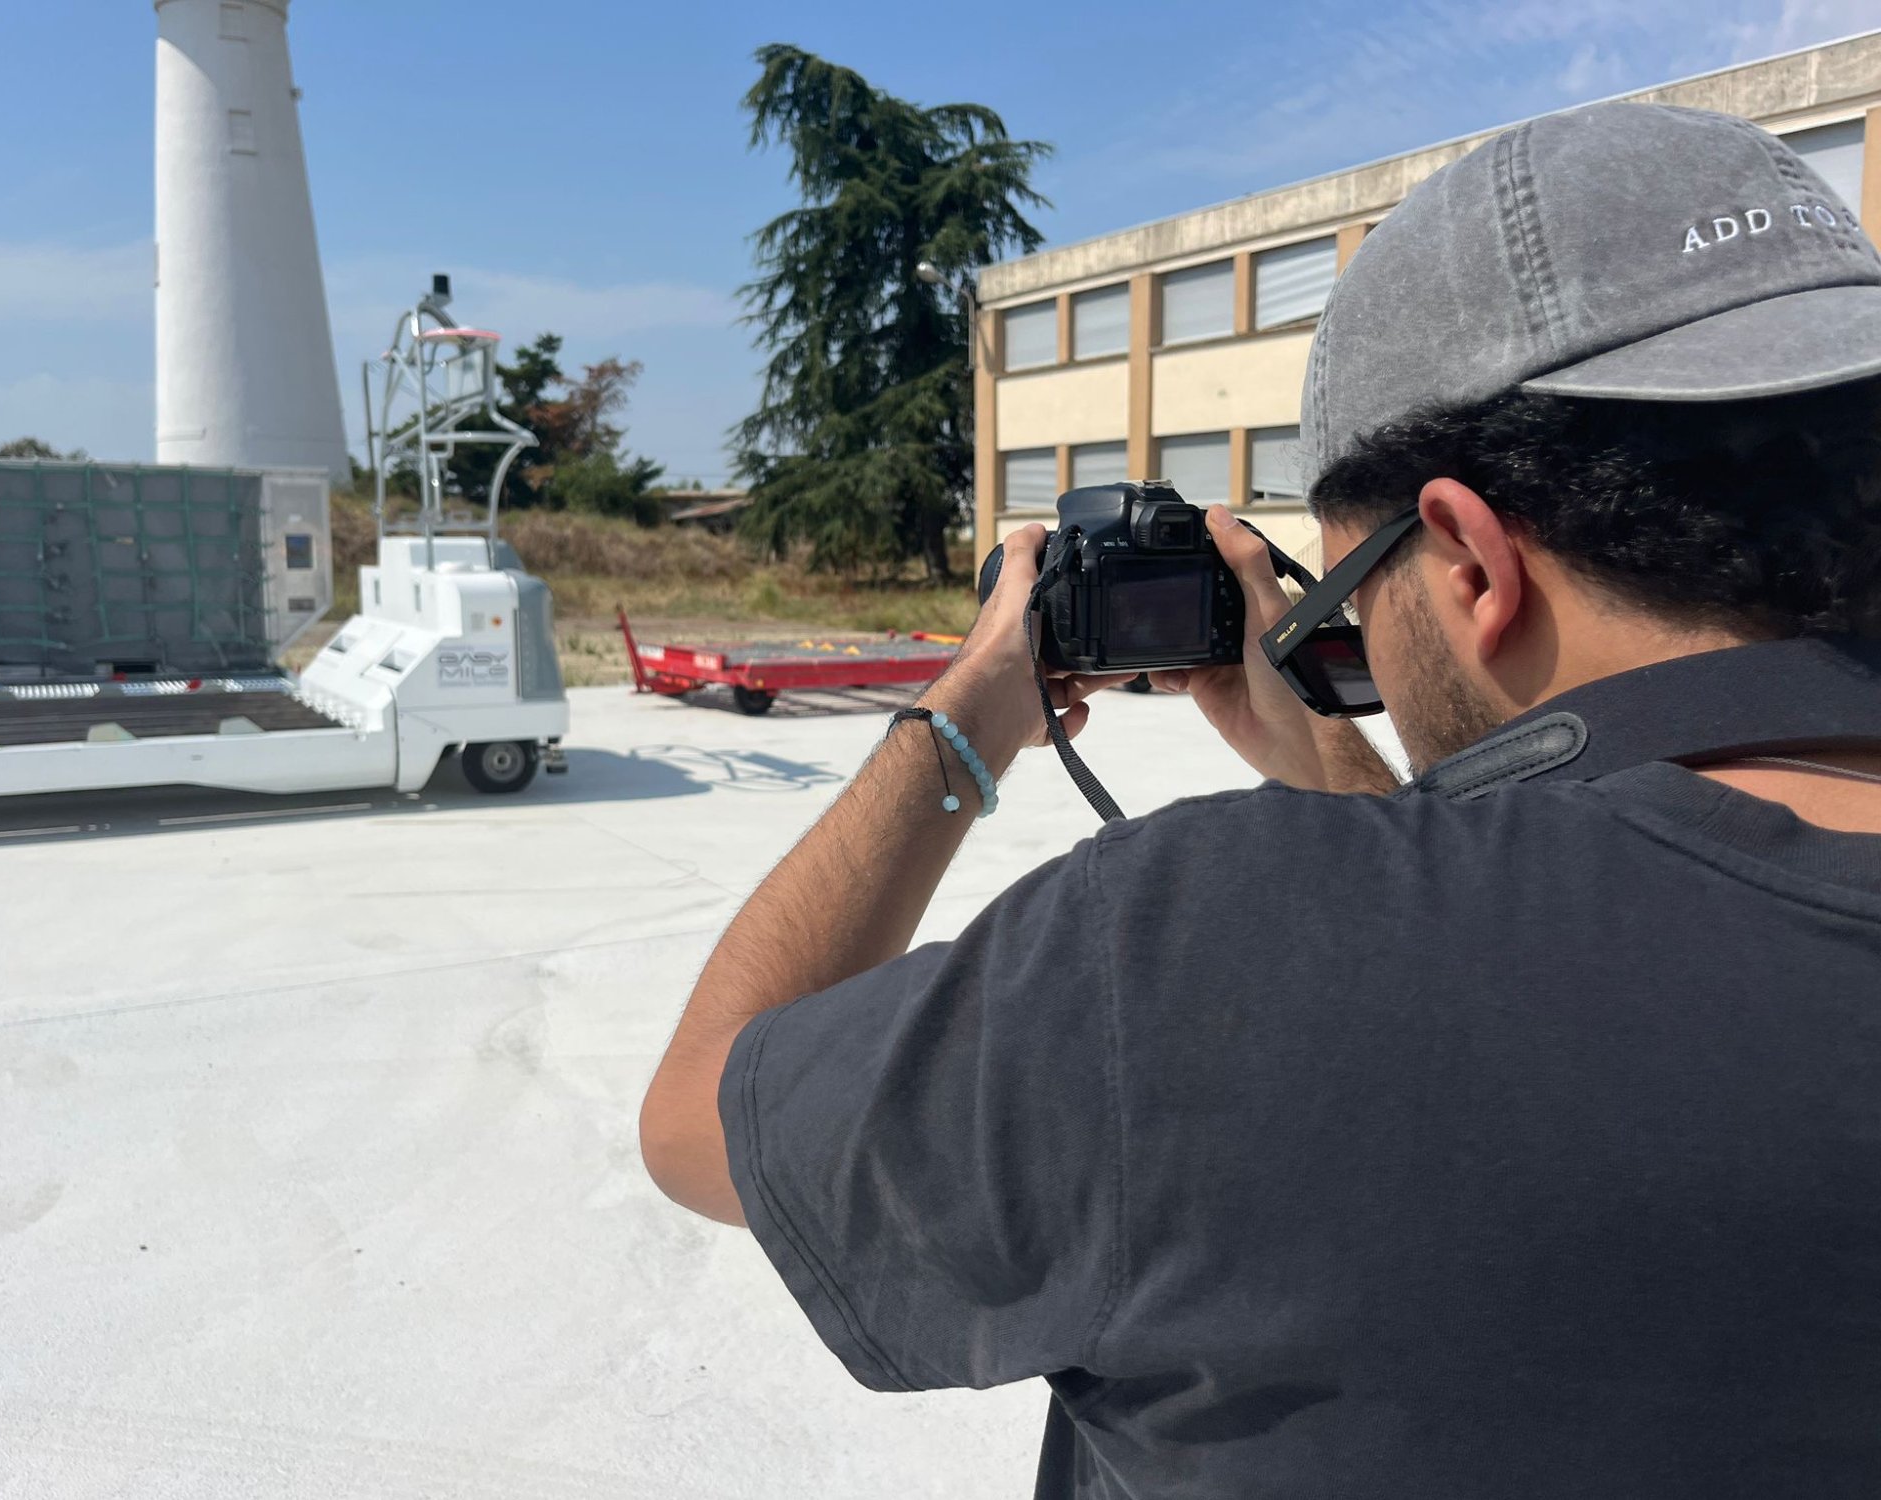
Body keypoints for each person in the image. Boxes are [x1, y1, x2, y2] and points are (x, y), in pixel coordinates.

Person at [641, 100, 1881, 1499]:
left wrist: (966, 716)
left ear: (1469, 561)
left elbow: (700, 1121)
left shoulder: (1194, 952)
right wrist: (1335, 771)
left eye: (1354, 594)